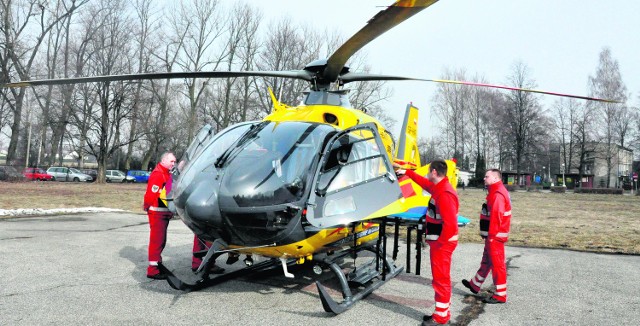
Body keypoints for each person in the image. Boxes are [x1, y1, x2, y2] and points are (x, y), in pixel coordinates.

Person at [395, 160, 459, 325]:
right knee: (440, 278)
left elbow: (451, 225)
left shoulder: (444, 193)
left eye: (429, 171)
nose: (427, 174)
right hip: (439, 242)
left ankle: (440, 317)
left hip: (442, 244)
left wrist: (440, 244)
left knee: (441, 279)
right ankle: (441, 312)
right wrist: (408, 173)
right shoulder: (439, 187)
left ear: (434, 172)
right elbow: (423, 182)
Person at [461, 169, 512, 304]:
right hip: (493, 236)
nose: (484, 178)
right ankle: (475, 284)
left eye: (487, 176)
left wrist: (491, 236)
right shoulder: (495, 191)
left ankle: (500, 295)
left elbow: (496, 217)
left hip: (495, 236)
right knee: (487, 261)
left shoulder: (497, 194)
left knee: (497, 265)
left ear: (495, 179)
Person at [143, 152, 176, 279]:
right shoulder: (158, 174)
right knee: (157, 241)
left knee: (161, 240)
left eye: (174, 161)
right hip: (157, 213)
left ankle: (157, 264)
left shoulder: (167, 174)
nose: (173, 164)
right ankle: (153, 270)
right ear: (163, 161)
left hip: (163, 212)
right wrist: (147, 207)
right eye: (171, 161)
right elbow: (152, 195)